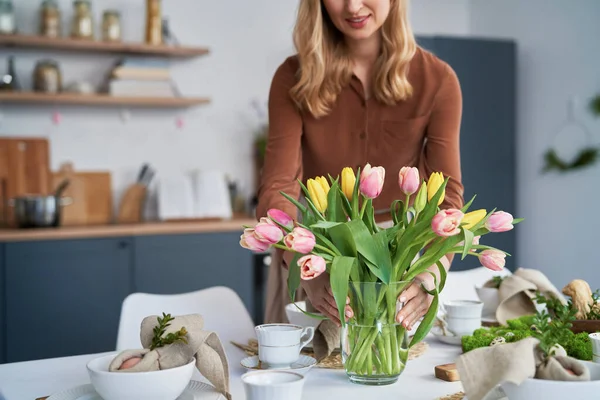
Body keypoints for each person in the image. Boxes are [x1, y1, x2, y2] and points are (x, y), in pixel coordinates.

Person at [256, 0, 464, 330]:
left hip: (398, 262)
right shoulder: (291, 78)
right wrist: (305, 266)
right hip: (314, 249)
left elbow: (449, 198)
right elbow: (277, 187)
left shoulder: (438, 80)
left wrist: (429, 274)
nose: (353, 6)